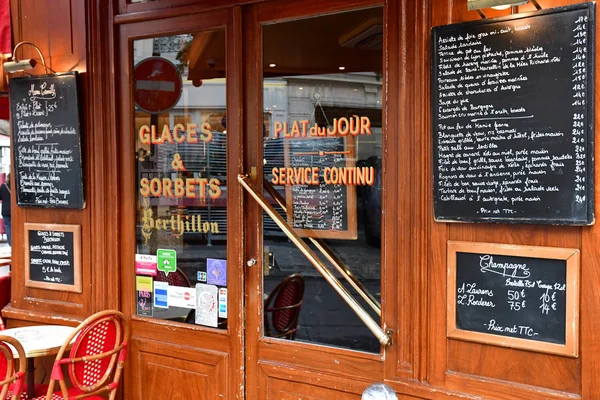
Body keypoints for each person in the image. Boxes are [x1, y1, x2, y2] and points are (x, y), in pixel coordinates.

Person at [0, 174, 11, 246]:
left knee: (8, 227)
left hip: (6, 210)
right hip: (16, 210)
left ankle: (11, 244)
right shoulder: (18, 186)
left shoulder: (3, 186)